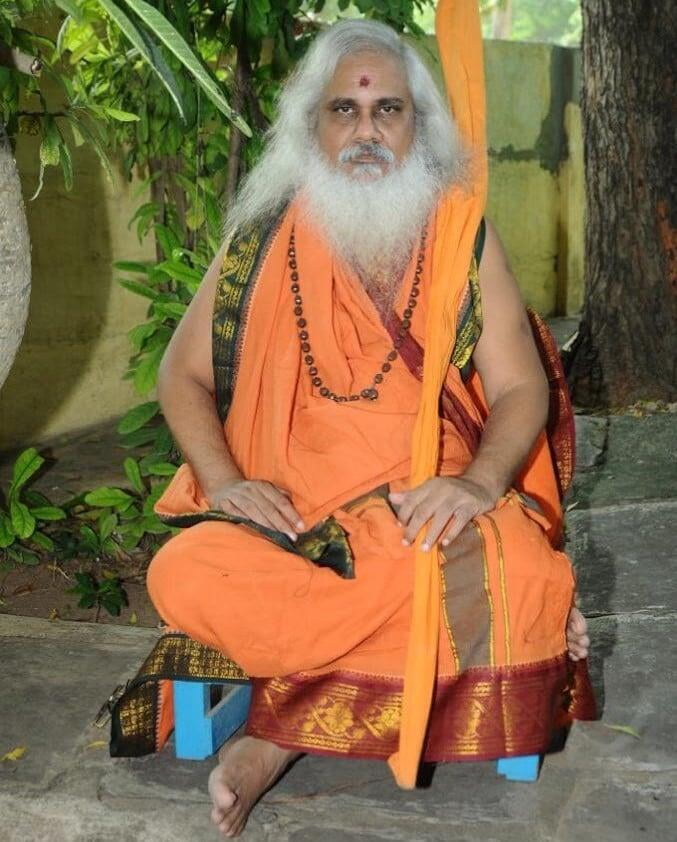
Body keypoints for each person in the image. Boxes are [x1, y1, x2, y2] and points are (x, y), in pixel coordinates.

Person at [146, 16, 593, 839]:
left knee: (516, 566)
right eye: (343, 111)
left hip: (425, 514)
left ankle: (274, 740)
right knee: (185, 571)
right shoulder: (260, 242)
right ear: (309, 126)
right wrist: (226, 482)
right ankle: (346, 685)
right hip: (294, 518)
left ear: (419, 127)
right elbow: (181, 374)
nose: (365, 131)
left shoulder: (460, 238)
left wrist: (477, 484)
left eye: (388, 110)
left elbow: (520, 386)